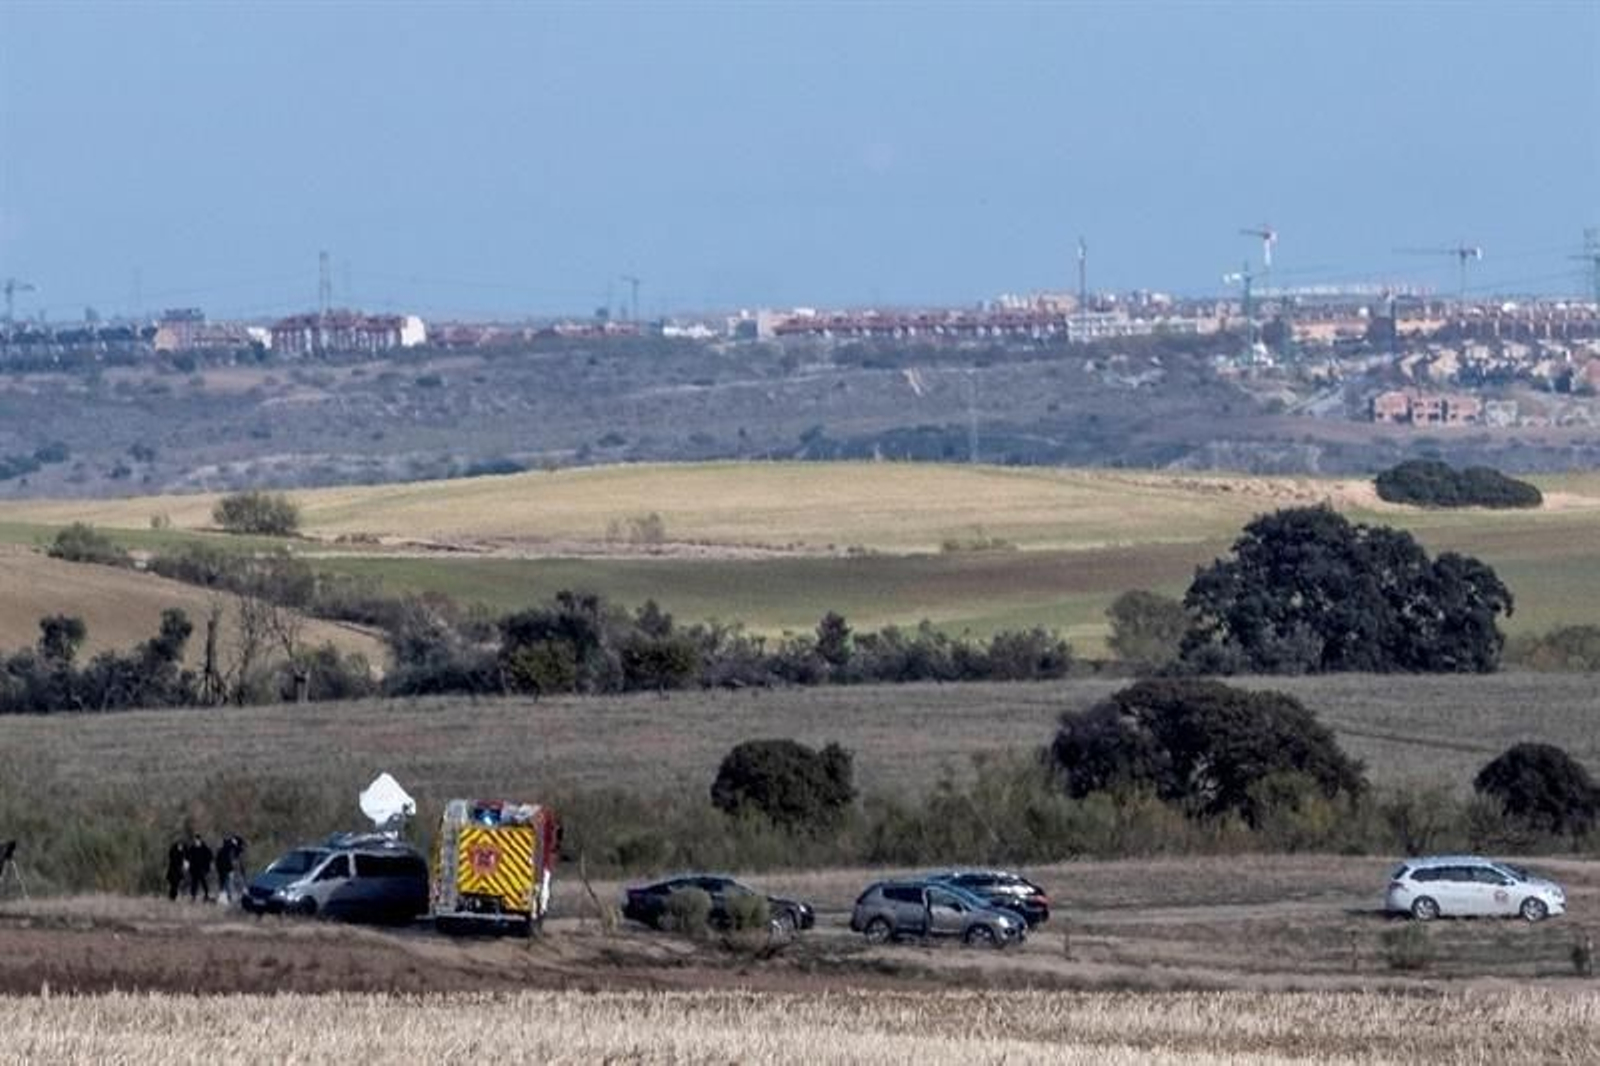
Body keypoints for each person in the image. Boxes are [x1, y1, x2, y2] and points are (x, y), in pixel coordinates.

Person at [215, 834, 246, 904]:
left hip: (222, 867)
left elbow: (219, 858)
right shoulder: (231, 847)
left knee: (225, 882)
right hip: (227, 867)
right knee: (229, 882)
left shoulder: (225, 846)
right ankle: (228, 897)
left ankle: (225, 897)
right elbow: (236, 853)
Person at [185, 833, 213, 902]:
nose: (196, 841)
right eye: (195, 840)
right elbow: (187, 856)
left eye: (197, 840)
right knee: (194, 883)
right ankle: (193, 896)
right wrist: (187, 864)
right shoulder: (192, 848)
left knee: (204, 882)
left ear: (199, 840)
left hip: (202, 869)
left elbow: (210, 856)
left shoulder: (204, 847)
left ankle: (206, 895)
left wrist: (209, 865)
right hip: (194, 868)